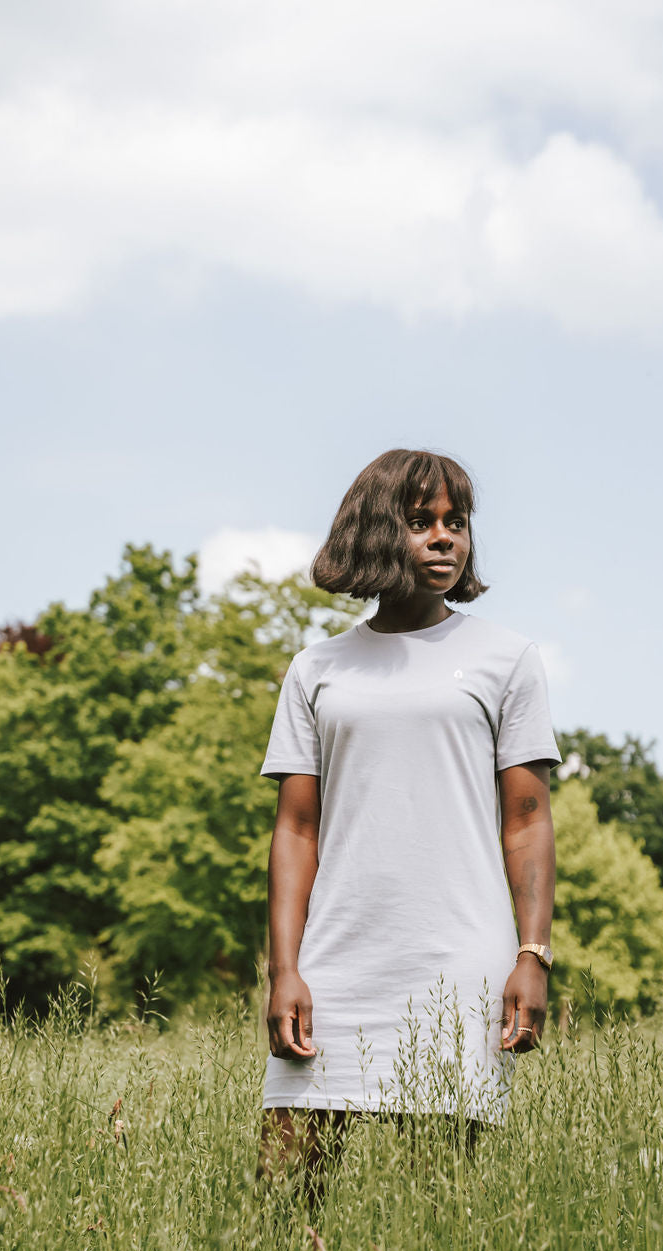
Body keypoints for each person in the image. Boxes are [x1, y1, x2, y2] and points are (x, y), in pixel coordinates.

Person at [257, 448, 560, 1191]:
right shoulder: (317, 669)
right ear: (375, 531)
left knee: (441, 1215)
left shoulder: (505, 659)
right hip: (334, 965)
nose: (444, 537)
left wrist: (533, 955)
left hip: (460, 962)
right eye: (421, 521)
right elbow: (296, 831)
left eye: (456, 522)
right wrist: (285, 969)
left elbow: (526, 821)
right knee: (282, 1197)